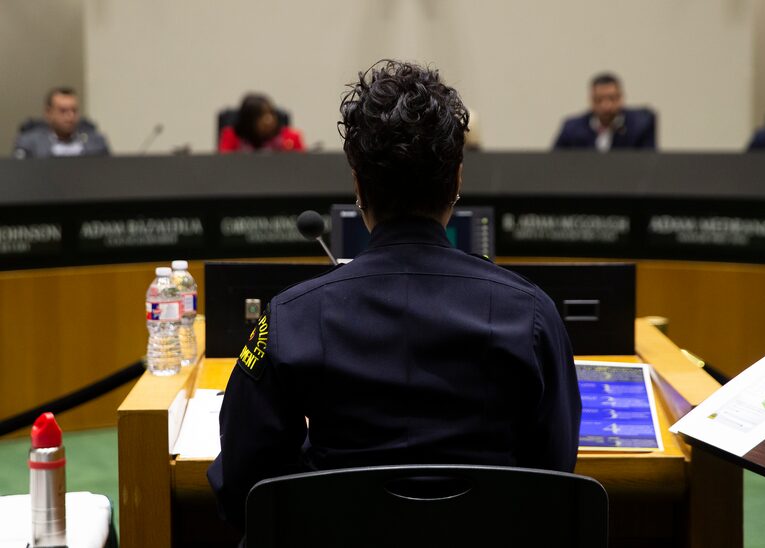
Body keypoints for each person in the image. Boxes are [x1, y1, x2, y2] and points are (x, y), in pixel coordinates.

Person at [207, 60, 581, 534]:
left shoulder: (287, 320)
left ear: (358, 187)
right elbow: (553, 477)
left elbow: (244, 486)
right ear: (458, 182)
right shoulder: (532, 317)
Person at [553, 72, 655, 151]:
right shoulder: (572, 129)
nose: (606, 106)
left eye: (612, 98)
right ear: (591, 100)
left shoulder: (640, 126)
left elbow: (648, 164)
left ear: (621, 98)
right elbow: (554, 163)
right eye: (599, 100)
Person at [13, 87, 110, 159]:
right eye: (63, 111)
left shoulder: (96, 142)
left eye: (74, 111)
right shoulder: (30, 144)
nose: (70, 117)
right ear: (48, 113)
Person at [218, 93, 305, 153]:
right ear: (249, 121)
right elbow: (224, 167)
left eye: (271, 113)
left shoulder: (291, 139)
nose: (269, 120)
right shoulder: (232, 137)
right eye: (261, 116)